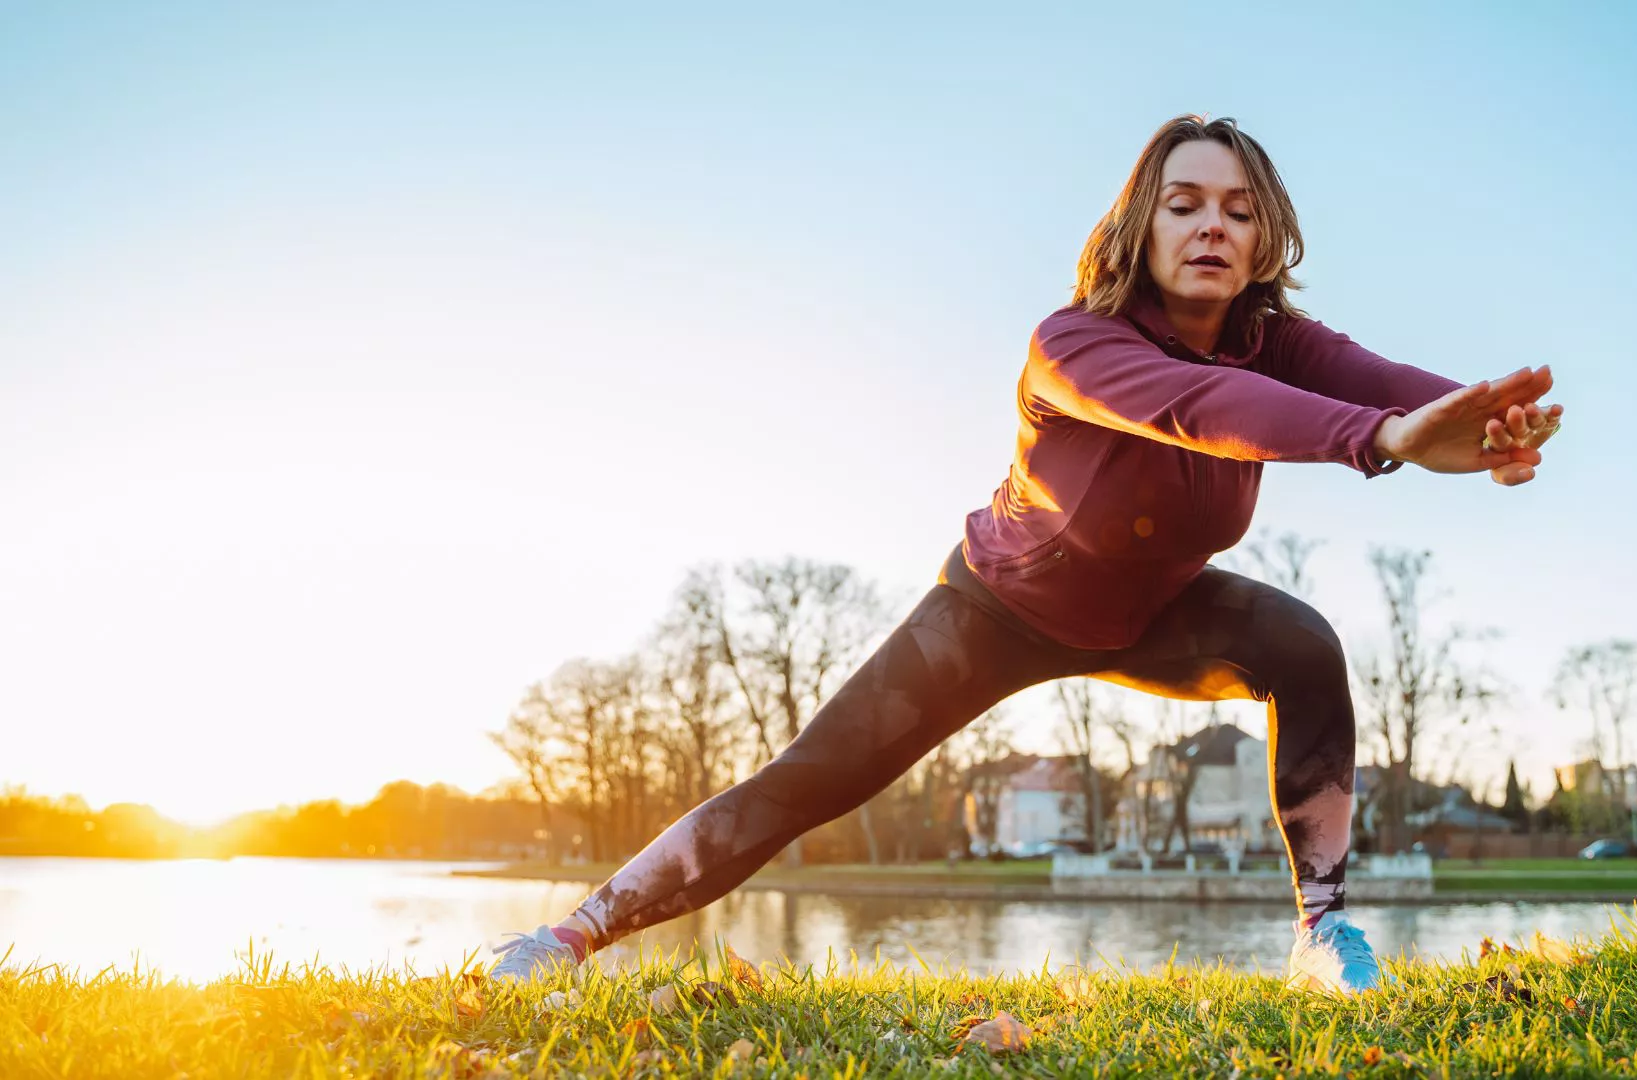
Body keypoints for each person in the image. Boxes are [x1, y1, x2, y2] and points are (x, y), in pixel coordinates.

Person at [488, 115, 1562, 994]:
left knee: (1302, 643)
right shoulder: (1075, 343)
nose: (1211, 227)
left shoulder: (1270, 339)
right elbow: (1203, 409)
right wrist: (1384, 444)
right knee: (805, 783)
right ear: (1139, 225)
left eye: (1239, 211)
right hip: (993, 612)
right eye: (1183, 203)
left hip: (1152, 611)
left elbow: (1377, 379)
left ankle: (1323, 934)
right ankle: (567, 938)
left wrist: (1482, 420)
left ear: (1267, 236)